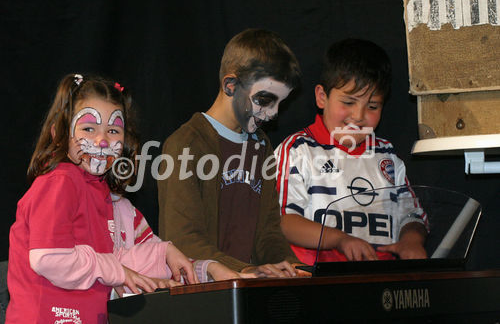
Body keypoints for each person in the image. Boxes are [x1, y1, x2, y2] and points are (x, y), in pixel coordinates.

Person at [6, 74, 248, 324]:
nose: (102, 141)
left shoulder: (114, 204)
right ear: (59, 133)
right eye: (88, 128)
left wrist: (204, 269)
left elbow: (135, 262)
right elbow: (50, 257)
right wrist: (118, 271)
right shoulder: (60, 181)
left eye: (113, 130)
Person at [158, 28, 303, 277]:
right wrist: (245, 270)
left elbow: (268, 230)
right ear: (230, 85)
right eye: (265, 100)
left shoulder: (262, 146)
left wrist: (292, 267)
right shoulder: (186, 144)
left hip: (249, 289)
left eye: (281, 103)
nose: (274, 113)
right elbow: (182, 239)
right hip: (205, 297)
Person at [275, 39, 428, 265]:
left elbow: (413, 216)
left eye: (372, 106)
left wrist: (411, 241)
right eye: (348, 102)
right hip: (316, 282)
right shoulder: (298, 150)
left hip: (380, 283)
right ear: (321, 97)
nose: (358, 115)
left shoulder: (386, 154)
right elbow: (283, 222)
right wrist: (340, 240)